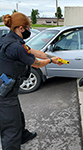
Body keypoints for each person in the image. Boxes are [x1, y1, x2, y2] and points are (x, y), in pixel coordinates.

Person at [0, 12, 63, 150]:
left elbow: (35, 52)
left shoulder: (9, 40)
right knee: (11, 127)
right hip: (4, 93)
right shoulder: (16, 47)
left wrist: (54, 56)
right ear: (21, 28)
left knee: (18, 115)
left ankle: (23, 136)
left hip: (9, 89)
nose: (30, 30)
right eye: (29, 27)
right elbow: (37, 63)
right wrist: (51, 60)